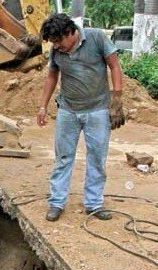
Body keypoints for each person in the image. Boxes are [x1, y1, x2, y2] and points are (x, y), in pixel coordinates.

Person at [37, 13, 124, 222]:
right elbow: (52, 76)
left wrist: (117, 99)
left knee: (96, 157)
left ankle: (94, 203)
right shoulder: (57, 50)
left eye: (58, 41)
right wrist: (42, 106)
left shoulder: (96, 38)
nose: (56, 46)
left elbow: (114, 66)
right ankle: (57, 202)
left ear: (70, 32)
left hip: (98, 111)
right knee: (63, 157)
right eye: (53, 42)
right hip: (68, 111)